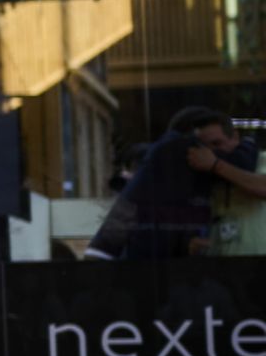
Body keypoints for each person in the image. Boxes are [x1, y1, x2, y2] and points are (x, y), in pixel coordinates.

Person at [88, 108, 258, 259]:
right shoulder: (178, 153)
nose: (210, 153)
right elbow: (242, 162)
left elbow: (113, 233)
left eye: (216, 145)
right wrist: (248, 144)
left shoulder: (158, 173)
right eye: (208, 146)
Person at [190, 139, 266, 256]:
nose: (211, 151)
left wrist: (216, 165)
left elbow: (263, 187)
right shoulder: (206, 171)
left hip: (257, 253)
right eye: (205, 145)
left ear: (234, 137)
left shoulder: (261, 158)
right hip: (220, 253)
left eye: (217, 143)